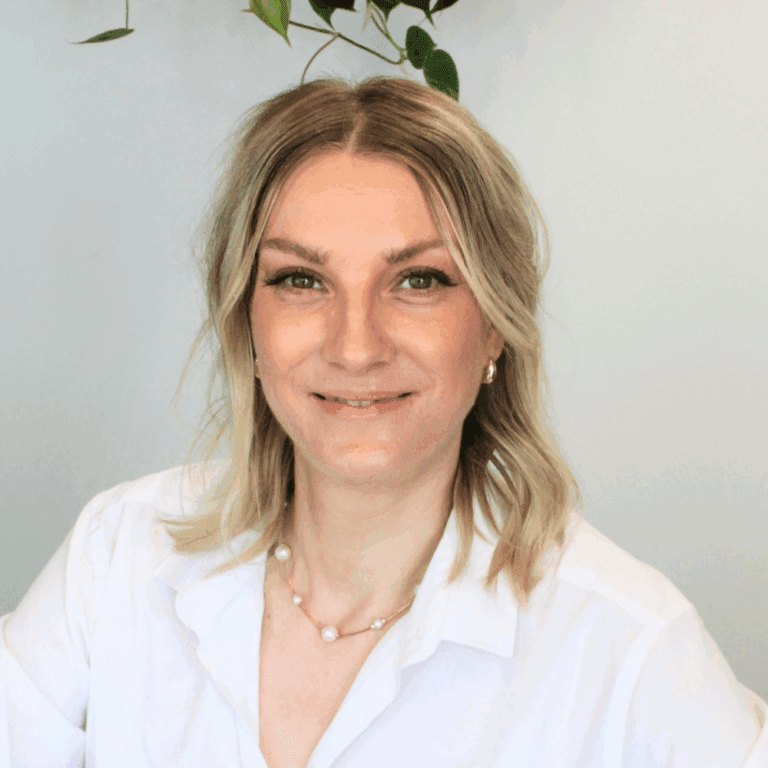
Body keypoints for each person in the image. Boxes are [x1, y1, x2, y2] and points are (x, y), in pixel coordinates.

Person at [1, 75, 765, 768]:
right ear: (247, 324)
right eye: (302, 280)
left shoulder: (627, 645)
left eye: (418, 281)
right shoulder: (118, 559)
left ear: (495, 326)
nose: (356, 346)